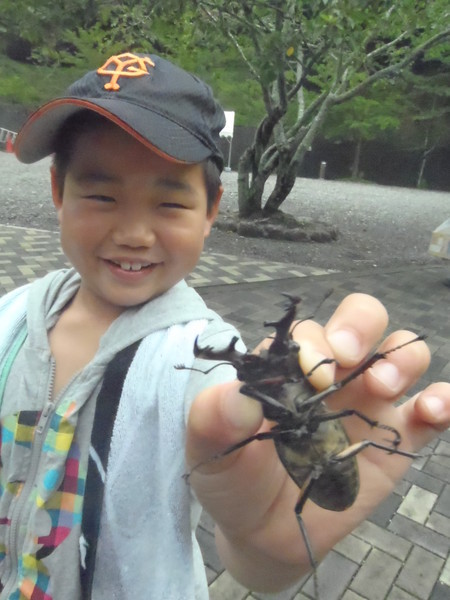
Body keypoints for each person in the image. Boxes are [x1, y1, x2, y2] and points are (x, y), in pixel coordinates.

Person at [0, 51, 448, 600]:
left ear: (212, 209)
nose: (135, 232)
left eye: (169, 202)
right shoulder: (12, 313)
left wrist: (267, 548)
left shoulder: (209, 368)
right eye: (101, 195)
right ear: (57, 193)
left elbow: (247, 448)